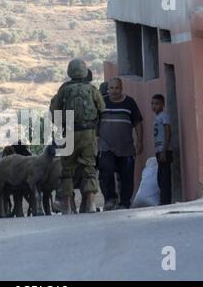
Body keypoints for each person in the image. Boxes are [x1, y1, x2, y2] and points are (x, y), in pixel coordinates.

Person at [50, 59, 105, 214]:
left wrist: (61, 127)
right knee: (89, 168)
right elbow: (102, 108)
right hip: (88, 134)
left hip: (69, 133)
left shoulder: (64, 90)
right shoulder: (92, 89)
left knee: (67, 169)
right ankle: (91, 204)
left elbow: (55, 111)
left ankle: (67, 206)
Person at [98, 77, 143, 210]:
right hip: (106, 146)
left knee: (127, 175)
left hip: (126, 147)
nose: (114, 91)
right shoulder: (102, 103)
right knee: (106, 170)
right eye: (111, 88)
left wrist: (140, 141)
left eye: (117, 88)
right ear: (108, 89)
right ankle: (110, 199)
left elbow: (138, 123)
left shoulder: (129, 103)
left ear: (121, 88)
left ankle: (124, 202)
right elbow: (96, 123)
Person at [152, 94, 173, 205]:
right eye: (153, 104)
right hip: (159, 150)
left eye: (157, 103)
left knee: (165, 177)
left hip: (165, 150)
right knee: (160, 176)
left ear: (163, 105)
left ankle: (166, 201)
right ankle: (163, 199)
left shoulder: (164, 116)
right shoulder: (156, 117)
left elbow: (168, 133)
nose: (154, 106)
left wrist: (164, 150)